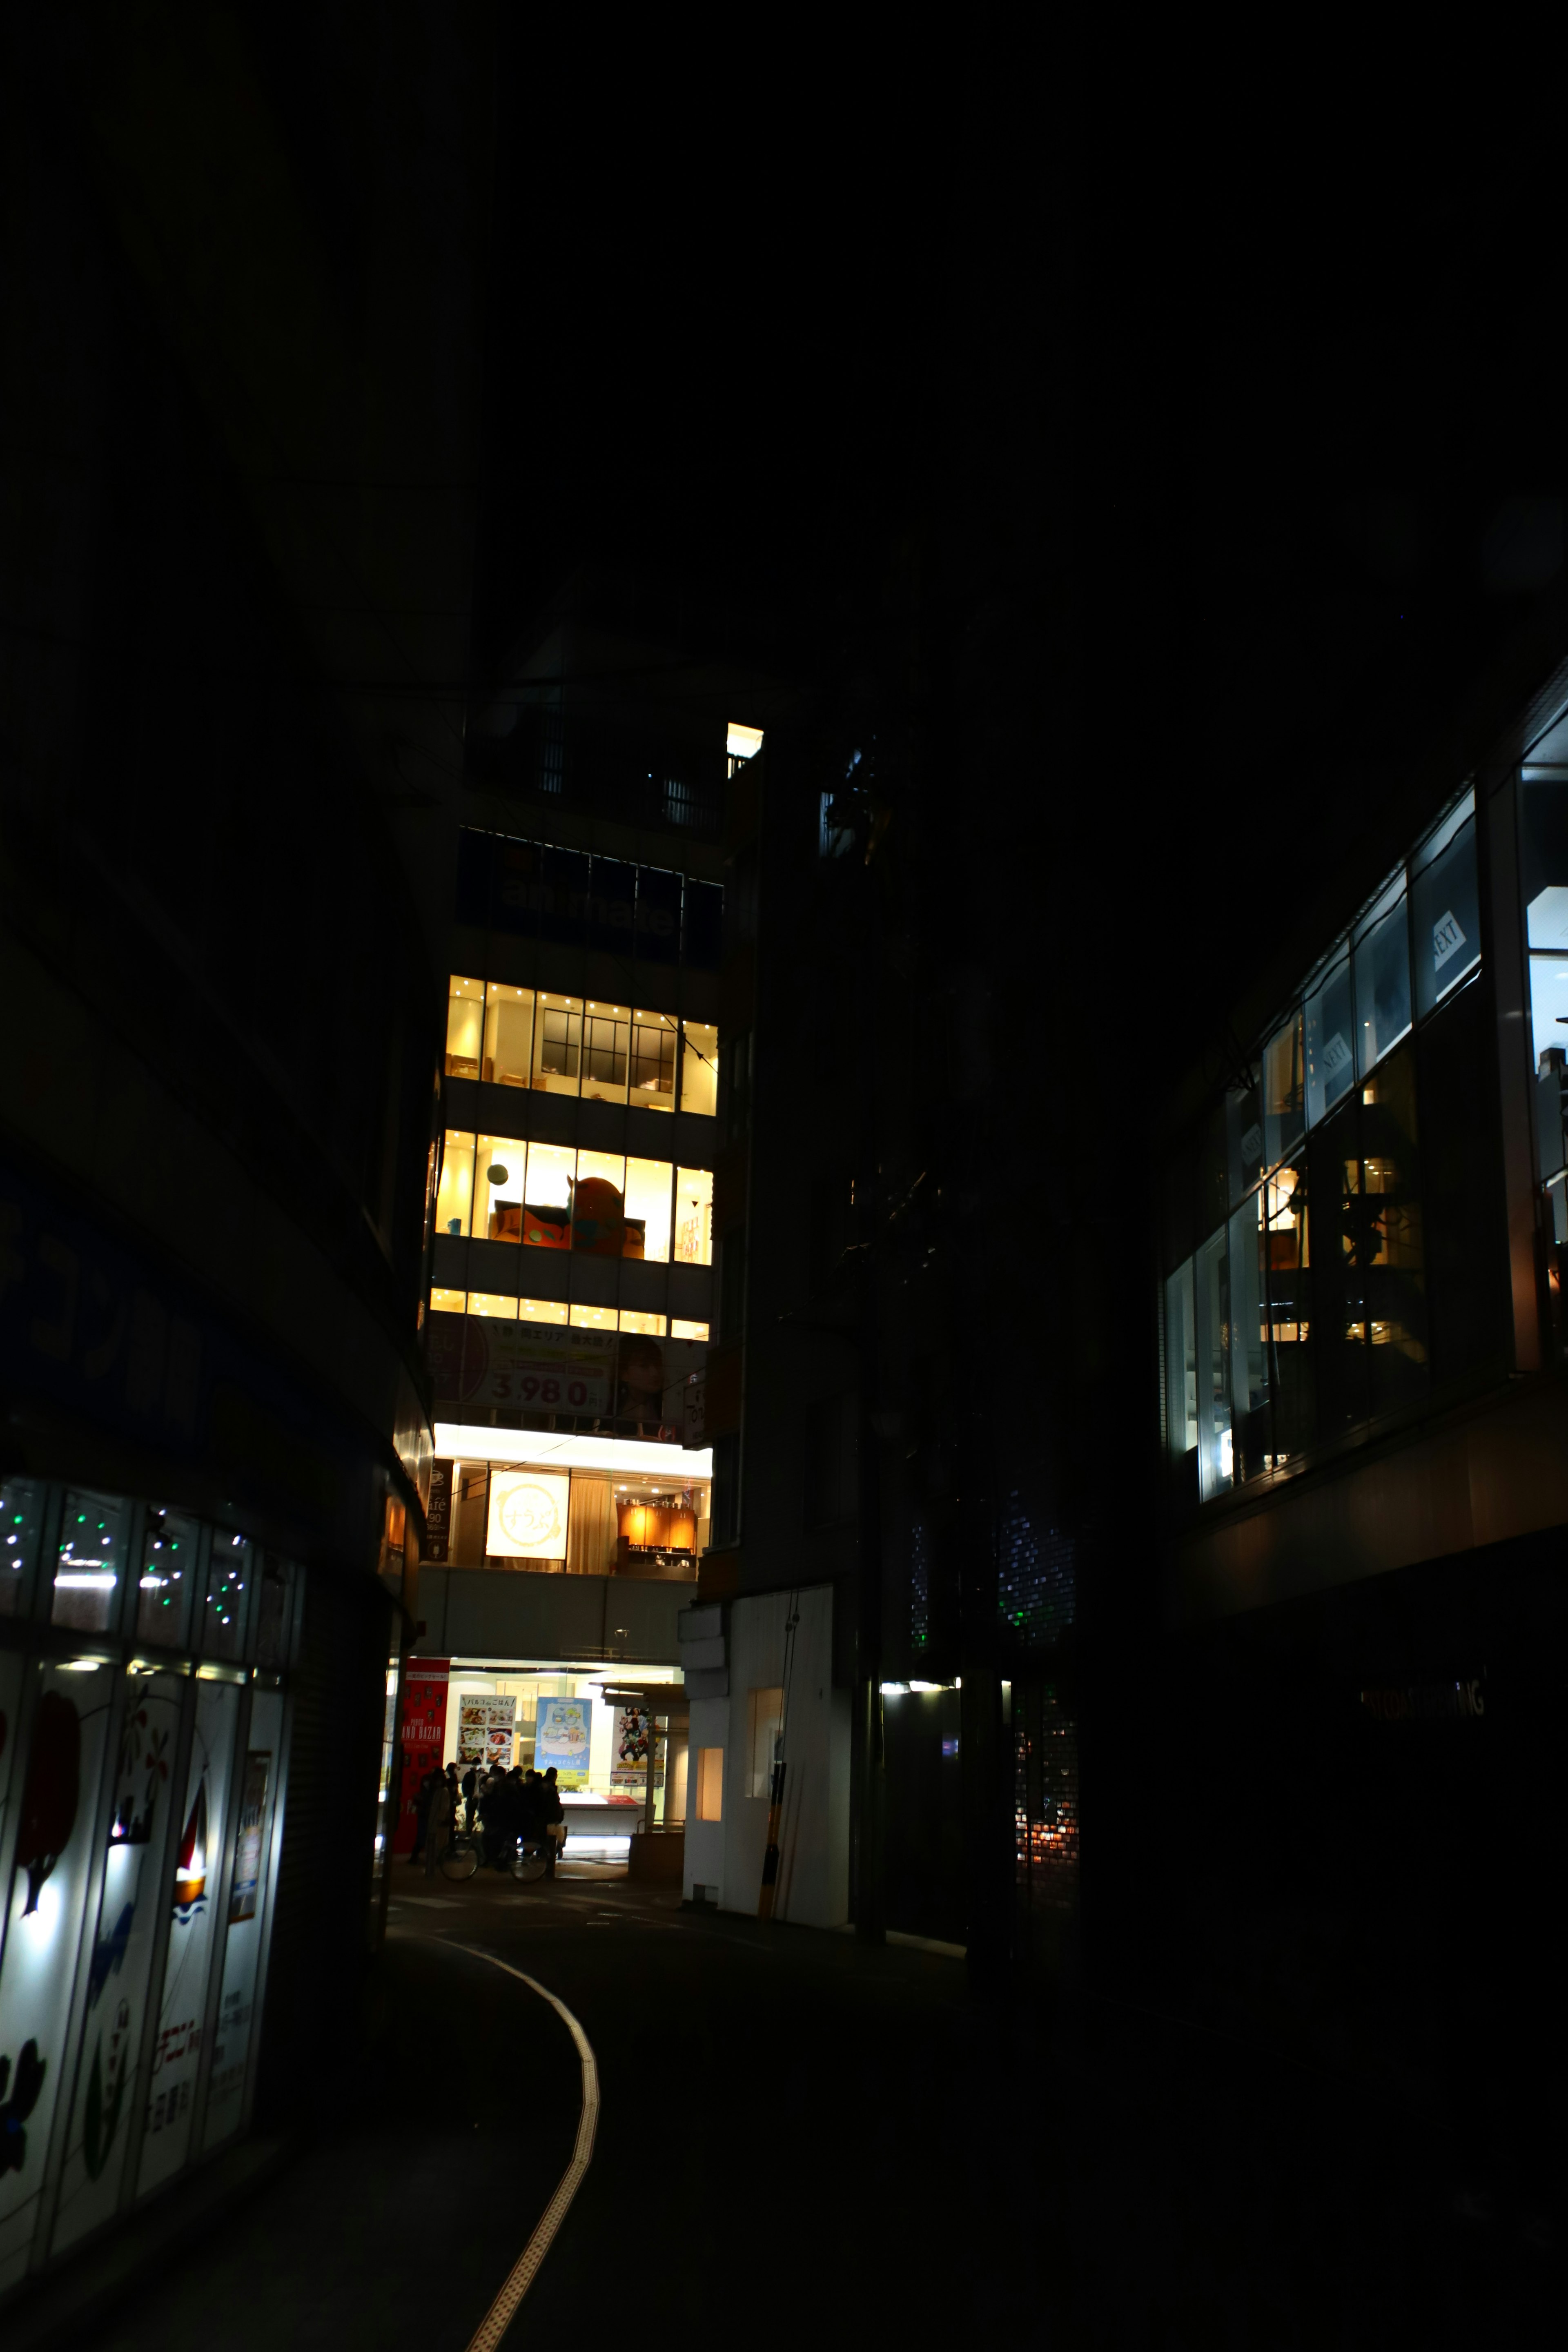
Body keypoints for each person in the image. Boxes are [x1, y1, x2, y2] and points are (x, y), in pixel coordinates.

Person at [424, 1763, 456, 1880]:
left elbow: (444, 1808)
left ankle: (435, 1868)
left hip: (438, 1824)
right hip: (435, 1823)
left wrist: (440, 1819)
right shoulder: (439, 1791)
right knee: (435, 1845)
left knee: (439, 1845)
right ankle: (433, 1868)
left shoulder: (443, 1791)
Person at [408, 1762, 441, 1865]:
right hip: (424, 1816)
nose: (426, 1783)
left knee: (424, 1837)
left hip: (426, 1816)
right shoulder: (428, 1792)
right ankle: (416, 1857)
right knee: (422, 1837)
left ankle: (416, 1857)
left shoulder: (430, 1792)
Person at [539, 1765, 566, 1879]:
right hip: (550, 1818)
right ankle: (550, 1857)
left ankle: (548, 1856)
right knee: (550, 1838)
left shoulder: (546, 1786)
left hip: (546, 1818)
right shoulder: (550, 1788)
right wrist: (559, 1816)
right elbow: (553, 1805)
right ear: (555, 1776)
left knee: (548, 1838)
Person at [460, 1761, 478, 1833]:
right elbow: (464, 1786)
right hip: (471, 1798)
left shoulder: (482, 1774)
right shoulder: (469, 1775)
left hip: (480, 1797)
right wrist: (468, 1794)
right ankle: (469, 1833)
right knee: (470, 1816)